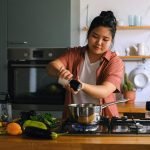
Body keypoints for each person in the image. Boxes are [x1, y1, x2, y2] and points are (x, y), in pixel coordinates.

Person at [47, 11, 124, 119]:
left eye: (105, 39)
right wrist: (61, 71)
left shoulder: (115, 62)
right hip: (73, 118)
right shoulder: (74, 53)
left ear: (111, 41)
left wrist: (82, 85)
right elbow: (51, 67)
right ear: (88, 34)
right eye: (95, 36)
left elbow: (105, 91)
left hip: (104, 119)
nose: (99, 42)